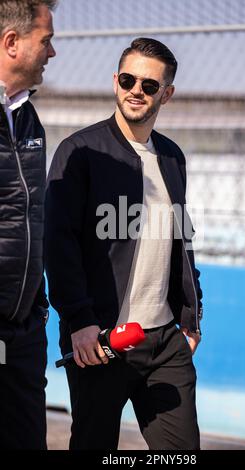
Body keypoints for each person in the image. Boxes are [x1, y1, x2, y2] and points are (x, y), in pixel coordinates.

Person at [45, 37, 203, 450]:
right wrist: (79, 320)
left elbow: (181, 240)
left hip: (166, 342)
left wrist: (191, 312)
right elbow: (58, 243)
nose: (137, 90)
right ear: (116, 81)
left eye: (150, 85)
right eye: (129, 79)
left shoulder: (172, 157)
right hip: (100, 341)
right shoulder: (79, 151)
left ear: (166, 94)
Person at [0, 0, 56, 450]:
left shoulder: (26, 114)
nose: (52, 53)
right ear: (12, 43)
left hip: (22, 331)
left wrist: (35, 309)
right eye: (46, 41)